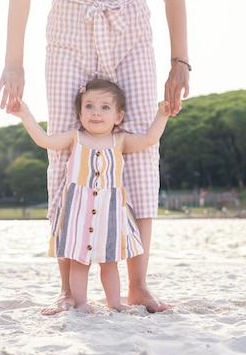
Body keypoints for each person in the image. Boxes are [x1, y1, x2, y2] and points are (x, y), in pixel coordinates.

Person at [0, 0, 189, 314]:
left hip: (131, 29)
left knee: (140, 155)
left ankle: (138, 286)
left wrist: (180, 60)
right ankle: (68, 290)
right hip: (69, 28)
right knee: (63, 153)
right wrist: (14, 63)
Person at [11, 78, 171, 314]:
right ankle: (81, 301)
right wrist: (25, 115)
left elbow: (148, 139)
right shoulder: (74, 138)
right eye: (89, 106)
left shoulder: (120, 140)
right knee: (79, 261)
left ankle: (115, 302)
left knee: (110, 262)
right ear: (80, 112)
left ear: (118, 116)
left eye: (105, 107)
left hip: (110, 211)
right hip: (78, 211)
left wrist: (162, 114)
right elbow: (44, 140)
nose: (96, 113)